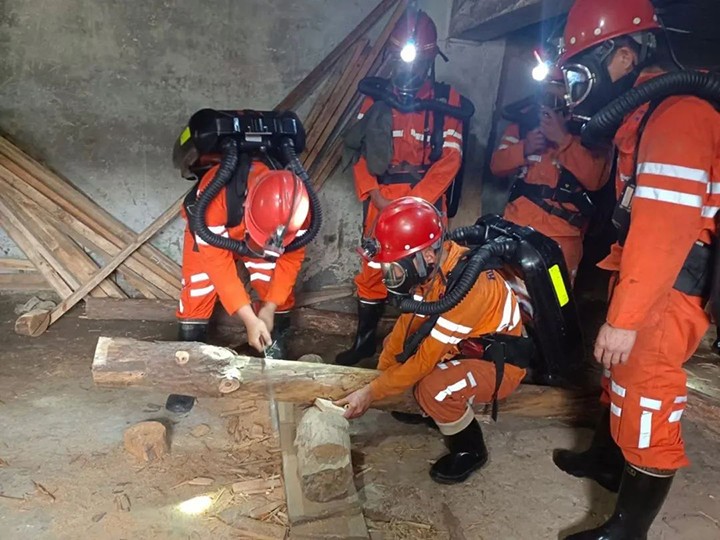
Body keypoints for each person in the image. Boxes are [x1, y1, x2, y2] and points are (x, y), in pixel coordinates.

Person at [553, 0, 720, 537]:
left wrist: (625, 319)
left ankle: (628, 529)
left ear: (624, 56)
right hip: (645, 273)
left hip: (669, 284)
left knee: (645, 389)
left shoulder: (678, 115)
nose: (577, 88)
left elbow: (664, 227)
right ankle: (607, 460)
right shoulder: (646, 114)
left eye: (581, 72)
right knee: (616, 375)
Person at [335, 197, 526, 484]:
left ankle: (470, 449)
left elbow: (426, 359)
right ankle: (429, 410)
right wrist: (383, 372)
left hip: (498, 365)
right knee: (396, 350)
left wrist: (372, 392)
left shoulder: (470, 287)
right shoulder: (435, 269)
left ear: (425, 256)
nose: (392, 277)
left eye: (396, 268)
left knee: (434, 388)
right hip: (464, 348)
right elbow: (406, 326)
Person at [336, 7, 466, 366]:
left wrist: (414, 203)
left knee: (428, 273)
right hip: (382, 198)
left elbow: (451, 158)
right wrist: (375, 194)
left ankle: (417, 350)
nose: (409, 68)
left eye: (418, 61)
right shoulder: (375, 97)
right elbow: (359, 150)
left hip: (425, 201)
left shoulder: (447, 100)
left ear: (430, 59)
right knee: (373, 268)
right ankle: (364, 344)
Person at [168, 161, 310, 412]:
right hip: (214, 232)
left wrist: (269, 308)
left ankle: (275, 360)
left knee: (275, 285)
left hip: (262, 234)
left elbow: (290, 260)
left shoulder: (298, 207)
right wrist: (249, 319)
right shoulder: (214, 196)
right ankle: (187, 374)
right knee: (197, 290)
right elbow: (218, 267)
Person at [490, 71, 609, 283]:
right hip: (515, 229)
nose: (550, 104)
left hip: (561, 241)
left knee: (555, 298)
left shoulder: (593, 132)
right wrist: (524, 148)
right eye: (547, 95)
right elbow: (496, 166)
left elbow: (595, 179)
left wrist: (563, 140)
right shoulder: (523, 126)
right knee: (501, 291)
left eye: (558, 95)